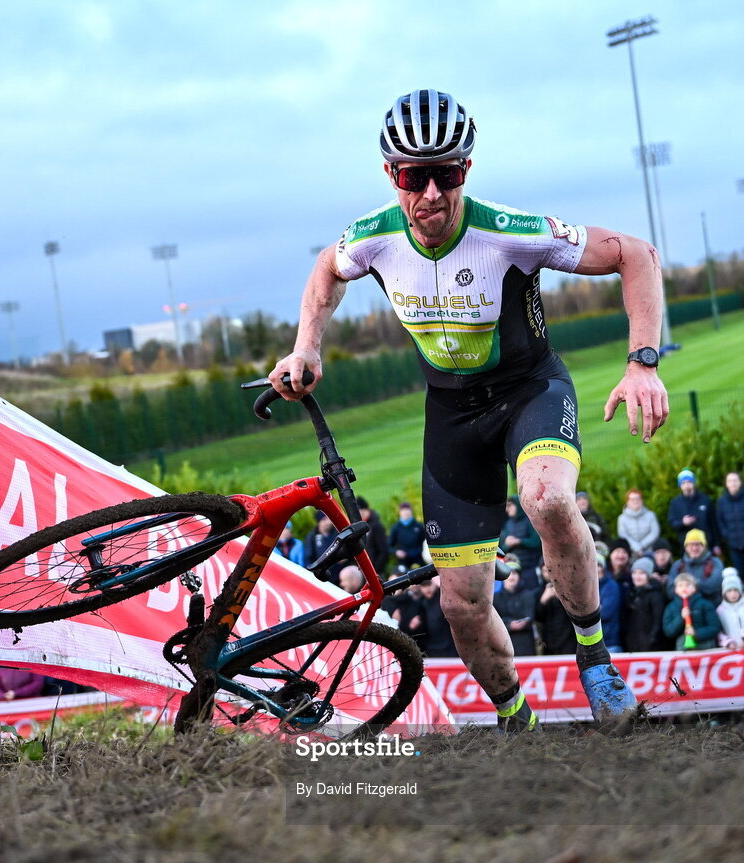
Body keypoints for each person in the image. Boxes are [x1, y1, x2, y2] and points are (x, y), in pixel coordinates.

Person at [269, 88, 668, 729]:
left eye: (446, 173)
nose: (430, 194)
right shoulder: (372, 238)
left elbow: (636, 255)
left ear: (467, 170)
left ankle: (593, 657)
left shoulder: (510, 232)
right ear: (390, 175)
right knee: (461, 602)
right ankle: (517, 722)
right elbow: (326, 269)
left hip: (528, 392)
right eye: (413, 176)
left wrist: (641, 363)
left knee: (546, 497)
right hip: (451, 416)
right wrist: (305, 349)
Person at [663, 573, 722, 652]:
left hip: (705, 646)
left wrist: (697, 633)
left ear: (694, 588)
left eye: (687, 585)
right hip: (683, 647)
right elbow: (669, 632)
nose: (684, 588)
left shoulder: (705, 604)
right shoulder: (670, 607)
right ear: (675, 590)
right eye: (680, 585)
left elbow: (715, 627)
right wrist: (681, 618)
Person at [666, 528, 723, 604]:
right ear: (686, 547)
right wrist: (698, 585)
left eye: (698, 544)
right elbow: (670, 591)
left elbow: (713, 586)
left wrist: (687, 585)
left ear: (704, 546)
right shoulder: (678, 565)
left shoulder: (715, 562)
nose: (694, 548)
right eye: (691, 545)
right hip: (683, 609)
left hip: (710, 608)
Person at [667, 469, 718, 552]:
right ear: (680, 485)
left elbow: (713, 523)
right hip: (686, 546)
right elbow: (672, 523)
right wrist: (683, 523)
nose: (687, 486)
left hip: (706, 544)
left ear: (694, 483)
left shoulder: (705, 499)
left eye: (689, 482)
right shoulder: (675, 503)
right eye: (683, 483)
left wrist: (716, 544)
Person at [534, 561, 577, 655]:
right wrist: (543, 601)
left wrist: (563, 599)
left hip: (568, 639)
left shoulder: (569, 589)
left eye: (550, 571)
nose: (548, 575)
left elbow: (576, 613)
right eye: (545, 571)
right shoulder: (538, 592)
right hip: (548, 640)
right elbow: (537, 618)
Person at [623, 557, 666, 653]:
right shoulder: (631, 594)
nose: (637, 577)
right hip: (633, 648)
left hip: (651, 649)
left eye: (641, 573)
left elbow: (658, 622)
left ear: (648, 576)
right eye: (634, 573)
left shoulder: (655, 595)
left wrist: (651, 641)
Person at [499, 495, 541, 591]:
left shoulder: (530, 521)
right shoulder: (508, 524)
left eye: (510, 505)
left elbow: (537, 542)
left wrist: (519, 541)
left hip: (530, 568)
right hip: (513, 569)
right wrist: (507, 545)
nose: (507, 509)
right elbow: (501, 548)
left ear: (517, 505)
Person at [492, 566, 536, 657]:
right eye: (509, 573)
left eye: (515, 573)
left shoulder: (528, 595)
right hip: (502, 644)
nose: (512, 577)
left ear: (519, 577)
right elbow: (491, 621)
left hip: (525, 645)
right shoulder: (495, 598)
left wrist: (522, 623)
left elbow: (530, 616)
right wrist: (509, 625)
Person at [418, 577, 459, 657]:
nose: (427, 589)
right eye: (423, 586)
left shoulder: (445, 599)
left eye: (429, 584)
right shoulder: (420, 603)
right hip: (431, 650)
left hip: (449, 649)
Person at [616, 488, 660, 558]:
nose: (635, 501)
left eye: (638, 499)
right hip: (630, 553)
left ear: (642, 500)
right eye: (632, 499)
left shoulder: (651, 515)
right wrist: (636, 548)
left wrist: (641, 545)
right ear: (627, 502)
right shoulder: (622, 518)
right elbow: (623, 535)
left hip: (649, 551)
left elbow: (654, 533)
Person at [716, 472, 744, 579]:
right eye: (730, 481)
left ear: (740, 482)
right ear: (726, 484)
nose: (733, 483)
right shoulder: (722, 501)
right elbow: (719, 521)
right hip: (733, 544)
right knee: (739, 574)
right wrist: (726, 535)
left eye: (735, 480)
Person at [356, 497, 390, 577]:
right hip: (365, 573)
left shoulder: (377, 526)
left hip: (377, 573)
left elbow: (384, 552)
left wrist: (374, 570)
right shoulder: (360, 525)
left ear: (364, 509)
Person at [388, 502, 426, 572]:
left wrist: (414, 552)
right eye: (403, 510)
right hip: (403, 562)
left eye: (407, 510)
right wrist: (396, 552)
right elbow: (389, 545)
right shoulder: (396, 528)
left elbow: (424, 544)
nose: (405, 512)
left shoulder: (419, 526)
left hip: (418, 560)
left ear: (411, 511)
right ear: (400, 512)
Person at [717, 568, 744, 650]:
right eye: (729, 591)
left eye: (736, 590)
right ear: (724, 593)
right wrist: (728, 642)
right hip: (732, 650)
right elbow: (718, 632)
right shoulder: (720, 610)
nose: (733, 594)